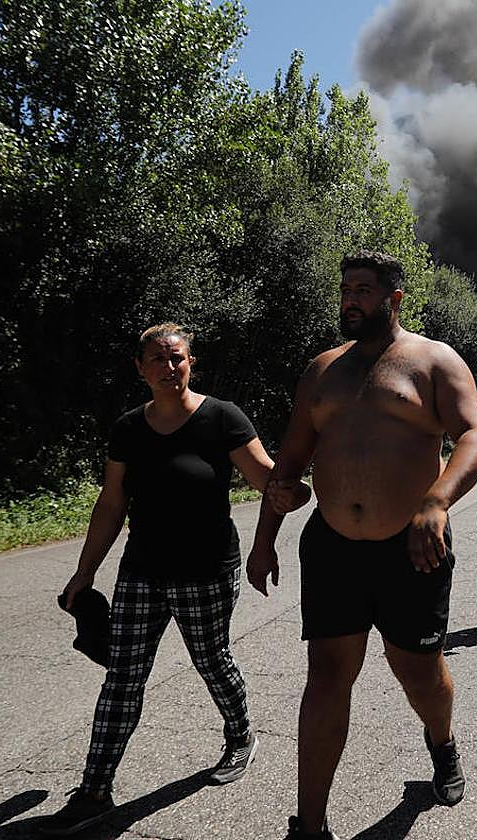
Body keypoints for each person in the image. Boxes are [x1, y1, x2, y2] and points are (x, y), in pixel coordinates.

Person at [246, 250, 477, 840]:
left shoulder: (434, 360)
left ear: (393, 298)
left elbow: (476, 436)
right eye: (345, 289)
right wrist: (265, 535)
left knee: (417, 671)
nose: (350, 299)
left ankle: (442, 740)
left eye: (362, 289)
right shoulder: (321, 370)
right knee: (328, 674)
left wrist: (435, 503)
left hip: (412, 547)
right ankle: (310, 824)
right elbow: (290, 460)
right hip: (333, 547)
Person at [45, 324, 310, 837]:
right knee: (122, 677)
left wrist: (290, 492)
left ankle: (240, 736)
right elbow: (112, 502)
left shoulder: (222, 418)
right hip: (141, 571)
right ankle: (95, 790)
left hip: (207, 572)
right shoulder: (127, 428)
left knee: (211, 660)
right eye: (158, 360)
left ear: (192, 362)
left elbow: (267, 477)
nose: (169, 368)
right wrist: (84, 570)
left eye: (178, 358)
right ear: (140, 367)